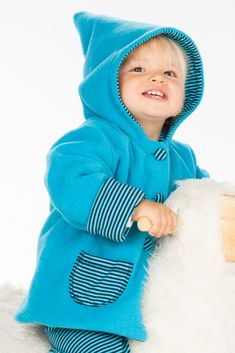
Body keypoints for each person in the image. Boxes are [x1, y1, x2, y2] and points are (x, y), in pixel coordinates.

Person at [15, 11, 209, 353]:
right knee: (93, 347)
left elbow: (205, 200)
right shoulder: (92, 139)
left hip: (148, 307)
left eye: (170, 73)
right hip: (82, 303)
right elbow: (72, 180)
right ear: (107, 84)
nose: (157, 79)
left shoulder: (183, 157)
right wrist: (135, 206)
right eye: (138, 69)